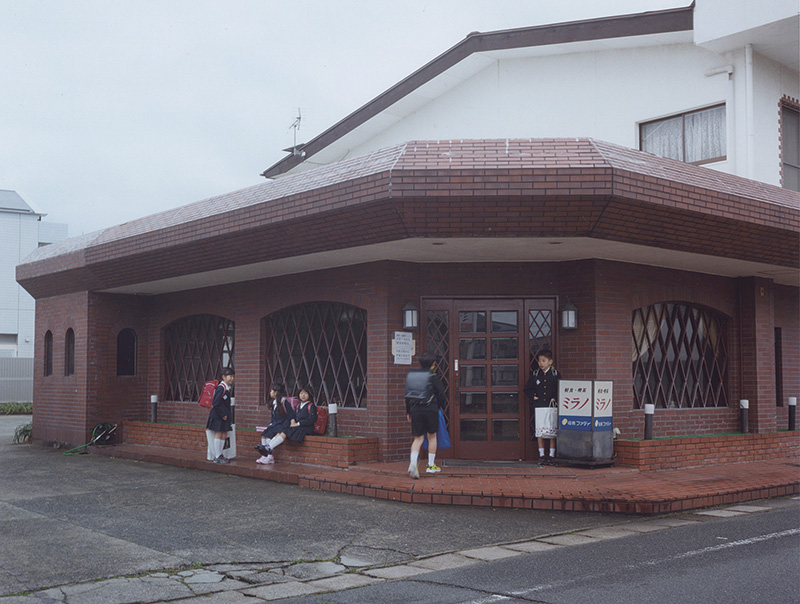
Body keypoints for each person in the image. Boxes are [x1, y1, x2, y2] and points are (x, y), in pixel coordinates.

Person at [405, 351, 446, 478]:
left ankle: (413, 464)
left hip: (416, 410)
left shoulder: (412, 376)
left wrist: (408, 411)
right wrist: (440, 406)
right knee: (432, 436)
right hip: (430, 409)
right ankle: (431, 465)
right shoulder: (434, 377)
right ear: (433, 364)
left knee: (418, 438)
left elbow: (408, 395)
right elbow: (441, 394)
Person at [255, 384, 318, 460]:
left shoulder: (311, 406)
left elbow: (311, 419)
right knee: (280, 432)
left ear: (309, 394)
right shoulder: (298, 406)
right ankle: (267, 449)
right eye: (301, 393)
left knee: (284, 432)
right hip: (297, 426)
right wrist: (294, 423)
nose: (303, 395)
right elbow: (294, 417)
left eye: (305, 393)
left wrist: (298, 424)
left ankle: (268, 448)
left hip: (306, 428)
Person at [524, 349, 560, 463]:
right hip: (540, 406)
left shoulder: (555, 374)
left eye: (544, 361)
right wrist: (533, 396)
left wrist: (556, 397)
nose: (541, 363)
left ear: (550, 362)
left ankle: (552, 454)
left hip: (551, 406)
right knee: (540, 431)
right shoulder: (535, 374)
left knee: (552, 431)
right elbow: (527, 388)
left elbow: (560, 388)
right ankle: (542, 454)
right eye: (539, 361)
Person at [255, 383, 292, 464]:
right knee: (264, 434)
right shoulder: (274, 403)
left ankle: (268, 456)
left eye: (272, 391)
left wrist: (283, 427)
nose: (270, 392)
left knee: (270, 434)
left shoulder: (285, 402)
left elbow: (290, 416)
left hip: (282, 425)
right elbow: (273, 416)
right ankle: (266, 456)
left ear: (276, 392)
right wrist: (271, 424)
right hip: (275, 424)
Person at [206, 367, 235, 464]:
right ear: (223, 377)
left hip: (223, 416)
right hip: (218, 416)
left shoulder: (226, 388)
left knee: (224, 434)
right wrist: (222, 414)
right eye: (229, 376)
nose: (232, 378)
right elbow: (216, 403)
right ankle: (217, 456)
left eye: (233, 376)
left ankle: (220, 454)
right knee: (219, 434)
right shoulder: (221, 388)